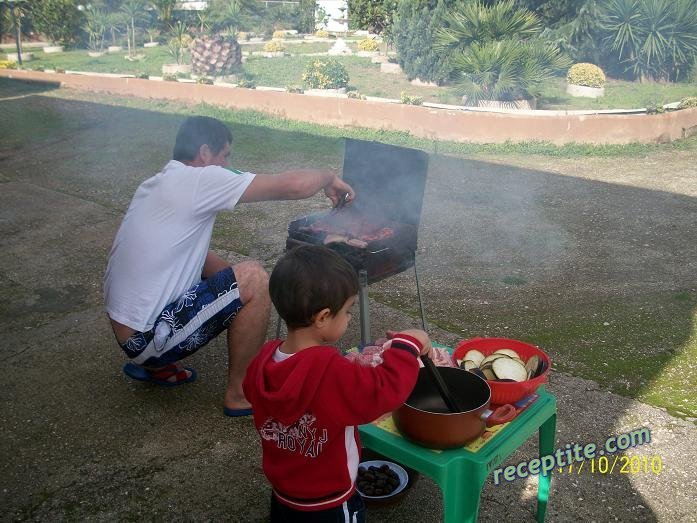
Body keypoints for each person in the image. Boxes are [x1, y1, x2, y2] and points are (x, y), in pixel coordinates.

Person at [103, 115, 354, 417]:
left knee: (236, 278)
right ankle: (238, 394)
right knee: (254, 277)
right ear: (206, 153)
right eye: (226, 155)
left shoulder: (159, 183)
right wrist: (328, 177)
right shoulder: (200, 179)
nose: (226, 164)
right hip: (148, 338)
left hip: (130, 331)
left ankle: (157, 367)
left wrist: (236, 290)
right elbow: (294, 186)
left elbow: (196, 258)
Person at [242, 245, 432, 522]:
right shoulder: (329, 370)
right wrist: (407, 345)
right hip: (330, 503)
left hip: (284, 495)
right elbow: (383, 391)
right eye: (348, 311)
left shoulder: (263, 360)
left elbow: (253, 391)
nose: (350, 318)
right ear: (322, 318)